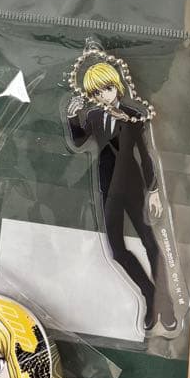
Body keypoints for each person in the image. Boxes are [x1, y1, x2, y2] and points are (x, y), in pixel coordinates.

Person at [66, 60, 175, 333]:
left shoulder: (133, 115)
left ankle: (166, 303)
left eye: (107, 88)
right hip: (108, 187)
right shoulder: (94, 116)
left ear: (117, 86)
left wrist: (154, 190)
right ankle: (150, 294)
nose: (103, 95)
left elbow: (146, 155)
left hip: (133, 186)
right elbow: (79, 141)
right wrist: (72, 118)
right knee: (116, 250)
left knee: (150, 243)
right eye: (97, 92)